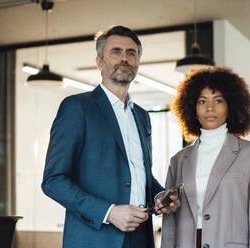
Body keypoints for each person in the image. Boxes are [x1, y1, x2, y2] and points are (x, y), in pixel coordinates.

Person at [41, 25, 179, 248]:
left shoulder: (142, 116)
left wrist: (159, 196)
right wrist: (109, 212)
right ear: (99, 62)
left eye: (131, 53)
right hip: (95, 238)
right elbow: (53, 181)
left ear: (137, 63)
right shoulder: (77, 108)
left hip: (142, 238)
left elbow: (139, 175)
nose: (124, 59)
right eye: (116, 51)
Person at [161, 66, 250, 248]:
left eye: (218, 100)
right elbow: (170, 219)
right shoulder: (178, 161)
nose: (210, 108)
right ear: (192, 108)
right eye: (202, 101)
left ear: (231, 106)